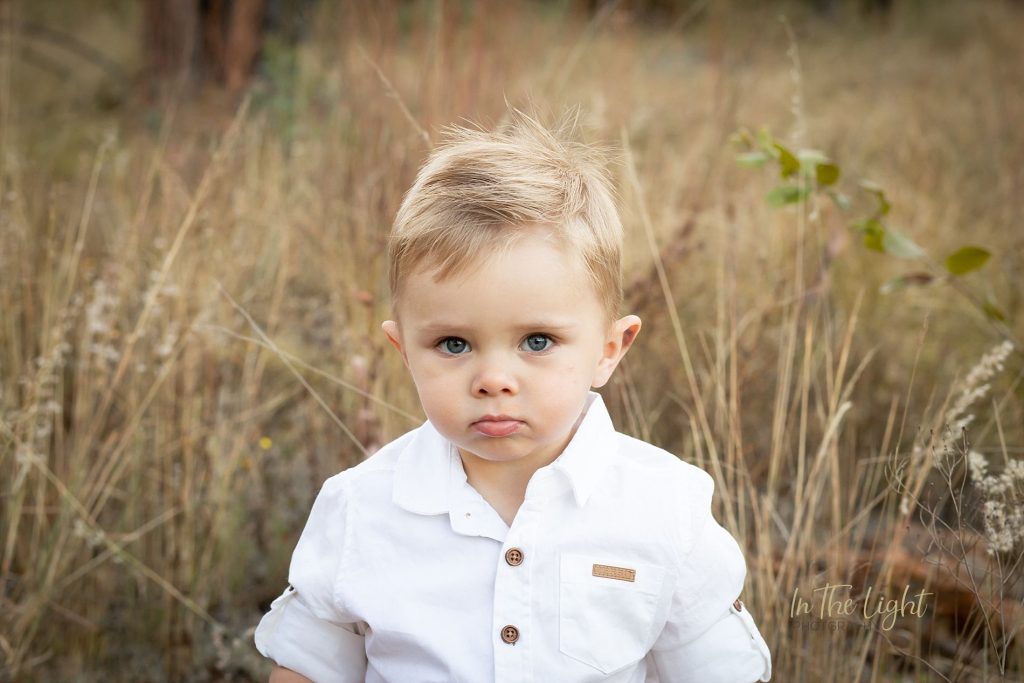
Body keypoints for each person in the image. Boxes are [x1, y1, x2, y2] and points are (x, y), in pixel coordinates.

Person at [254, 107, 772, 683]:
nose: (493, 378)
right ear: (405, 353)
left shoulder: (663, 508)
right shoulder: (361, 510)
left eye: (537, 340)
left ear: (609, 349)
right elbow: (305, 670)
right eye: (453, 344)